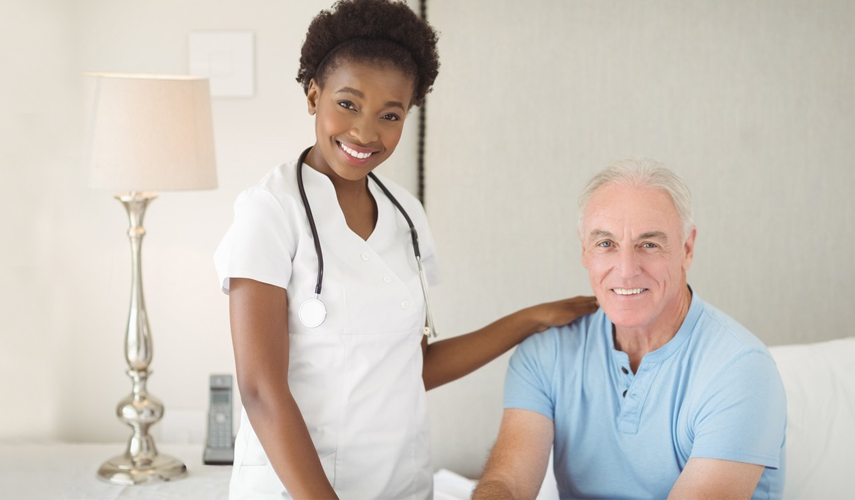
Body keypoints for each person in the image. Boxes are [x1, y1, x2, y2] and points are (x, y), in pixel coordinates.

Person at [213, 1, 596, 498]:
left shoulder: (407, 216)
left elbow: (411, 367)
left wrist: (531, 319)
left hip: (399, 484)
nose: (365, 132)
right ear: (313, 95)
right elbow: (261, 391)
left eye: (389, 114)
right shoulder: (269, 211)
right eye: (347, 103)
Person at [472, 160, 789, 500]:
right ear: (584, 249)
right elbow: (507, 483)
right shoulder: (545, 352)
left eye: (649, 244)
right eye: (606, 244)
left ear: (687, 249)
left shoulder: (740, 369)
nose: (625, 271)